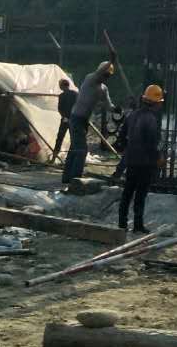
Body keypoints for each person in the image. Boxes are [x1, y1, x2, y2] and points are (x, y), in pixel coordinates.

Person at [118, 84, 164, 234]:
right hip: (145, 163)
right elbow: (152, 142)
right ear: (155, 103)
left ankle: (122, 224)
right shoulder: (151, 119)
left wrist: (128, 150)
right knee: (140, 194)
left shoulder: (132, 115)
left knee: (127, 192)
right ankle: (138, 225)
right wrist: (158, 157)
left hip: (131, 160)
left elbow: (122, 137)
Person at [61, 60, 114, 186]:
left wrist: (115, 109)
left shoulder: (103, 89)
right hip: (76, 118)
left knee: (75, 148)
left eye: (108, 76)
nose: (105, 77)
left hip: (84, 120)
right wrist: (111, 60)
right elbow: (100, 71)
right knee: (81, 150)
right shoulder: (90, 79)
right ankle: (76, 180)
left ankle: (67, 178)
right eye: (105, 74)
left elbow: (108, 105)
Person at [110, 96, 137, 184]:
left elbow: (123, 130)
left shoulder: (131, 115)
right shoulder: (132, 115)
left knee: (127, 160)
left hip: (133, 141)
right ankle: (119, 176)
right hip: (134, 141)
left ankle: (118, 176)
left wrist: (122, 141)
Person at [50, 77, 78, 163]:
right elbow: (78, 106)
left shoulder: (62, 96)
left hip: (65, 120)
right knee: (74, 139)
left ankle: (53, 159)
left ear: (62, 86)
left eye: (60, 85)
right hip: (73, 119)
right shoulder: (75, 94)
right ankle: (73, 159)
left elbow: (60, 108)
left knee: (59, 138)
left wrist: (65, 117)